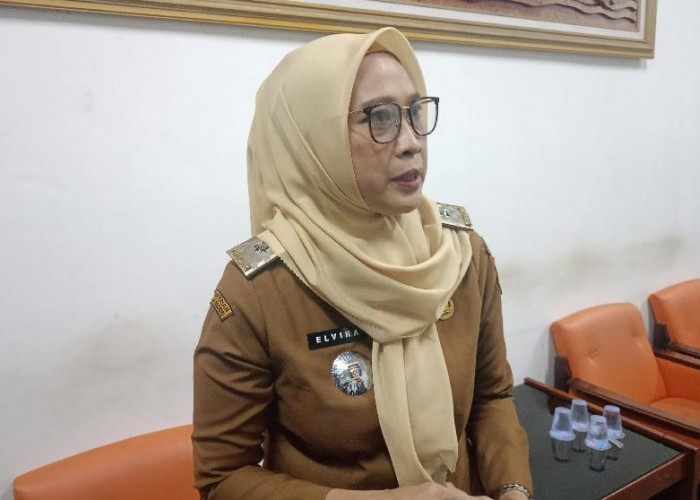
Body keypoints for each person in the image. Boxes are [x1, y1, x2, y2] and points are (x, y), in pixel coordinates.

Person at [192, 27, 533, 500]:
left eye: (415, 112)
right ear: (313, 141)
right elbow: (223, 477)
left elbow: (491, 398)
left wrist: (513, 491)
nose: (412, 142)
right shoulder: (260, 290)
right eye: (380, 118)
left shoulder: (460, 254)